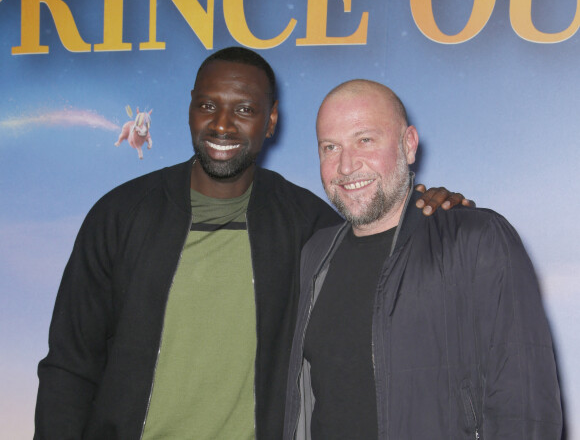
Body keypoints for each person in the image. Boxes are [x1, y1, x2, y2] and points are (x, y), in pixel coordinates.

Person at [34, 48, 470, 440]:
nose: (222, 124)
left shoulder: (310, 227)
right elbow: (70, 368)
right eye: (208, 105)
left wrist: (431, 213)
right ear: (190, 109)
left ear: (271, 120)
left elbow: (382, 286)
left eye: (244, 109)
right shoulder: (120, 216)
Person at [284, 79, 563, 440]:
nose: (346, 165)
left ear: (408, 144)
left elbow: (525, 408)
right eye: (330, 147)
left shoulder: (478, 240)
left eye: (365, 140)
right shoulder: (315, 255)